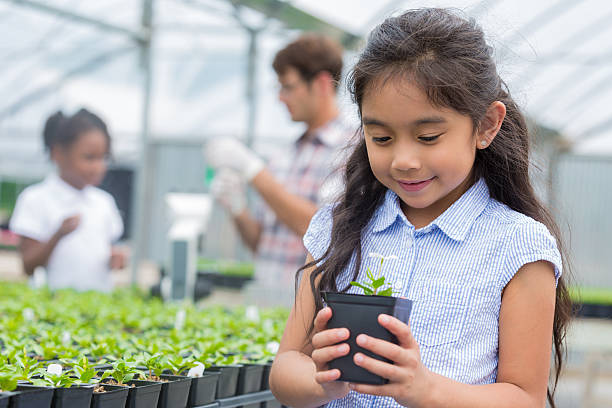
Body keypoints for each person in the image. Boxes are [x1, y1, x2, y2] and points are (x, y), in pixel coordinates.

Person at [270, 8, 572, 408]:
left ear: (485, 126)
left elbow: (524, 398)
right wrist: (319, 380)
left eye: (428, 137)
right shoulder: (338, 227)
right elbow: (285, 366)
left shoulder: (518, 246)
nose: (403, 160)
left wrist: (426, 390)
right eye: (381, 137)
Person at [205, 34, 354, 306]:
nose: (281, 97)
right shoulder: (283, 156)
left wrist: (256, 174)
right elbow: (261, 244)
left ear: (321, 83)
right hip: (265, 300)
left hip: (311, 309)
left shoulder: (351, 149)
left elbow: (326, 232)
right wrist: (237, 208)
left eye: (287, 86)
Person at [9, 108, 125, 292]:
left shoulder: (104, 202)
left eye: (103, 158)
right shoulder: (35, 199)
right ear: (58, 153)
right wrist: (58, 235)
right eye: (89, 157)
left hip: (98, 306)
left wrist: (115, 259)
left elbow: (106, 252)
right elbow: (28, 266)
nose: (98, 167)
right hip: (51, 308)